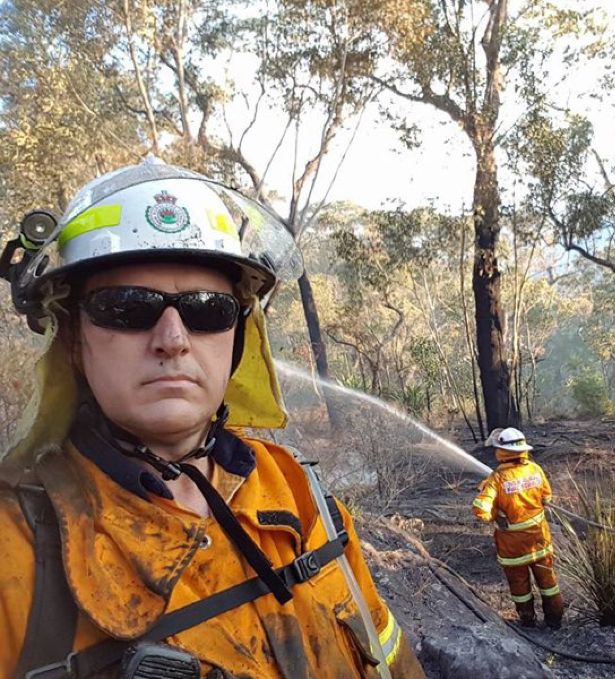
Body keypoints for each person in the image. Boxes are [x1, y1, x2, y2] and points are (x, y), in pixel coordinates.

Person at [0, 158, 425, 678]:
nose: (173, 339)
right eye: (127, 307)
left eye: (207, 309)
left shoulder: (297, 490)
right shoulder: (17, 541)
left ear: (239, 336)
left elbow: (387, 656)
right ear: (71, 338)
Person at [472, 427, 564, 630]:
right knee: (548, 582)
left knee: (519, 585)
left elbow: (480, 509)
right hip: (539, 540)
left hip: (513, 548)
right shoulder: (535, 469)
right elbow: (547, 497)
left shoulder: (496, 478)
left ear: (501, 451)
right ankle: (555, 620)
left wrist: (495, 514)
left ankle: (528, 621)